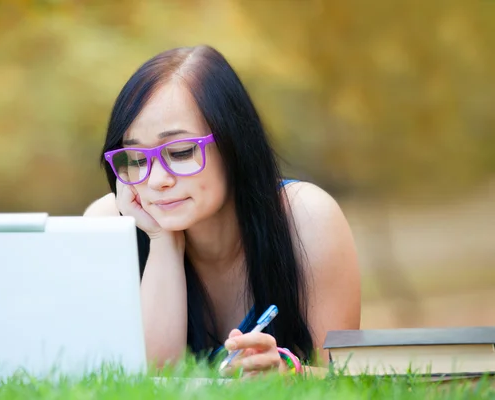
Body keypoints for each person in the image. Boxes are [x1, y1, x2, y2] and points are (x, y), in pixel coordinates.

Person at [85, 45, 361, 376]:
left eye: (182, 152)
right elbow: (150, 380)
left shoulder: (307, 218)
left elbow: (344, 377)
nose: (156, 180)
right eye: (137, 158)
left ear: (235, 145)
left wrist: (290, 372)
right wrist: (162, 242)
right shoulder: (109, 225)